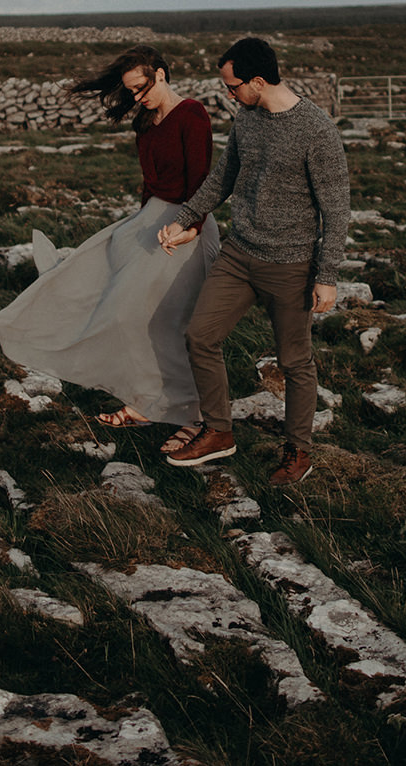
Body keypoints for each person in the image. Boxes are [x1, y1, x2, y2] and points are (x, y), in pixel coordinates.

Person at [0, 46, 217, 440]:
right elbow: (150, 183)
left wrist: (190, 225)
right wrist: (138, 225)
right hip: (150, 222)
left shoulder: (192, 115)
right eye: (131, 93)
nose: (137, 98)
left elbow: (202, 181)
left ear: (161, 74)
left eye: (142, 88)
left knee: (152, 316)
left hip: (185, 227)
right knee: (106, 295)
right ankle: (147, 401)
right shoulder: (146, 122)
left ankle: (189, 415)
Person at [157, 37, 349, 485]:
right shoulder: (246, 118)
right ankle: (219, 431)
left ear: (259, 81)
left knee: (294, 361)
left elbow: (336, 208)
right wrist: (188, 218)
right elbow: (224, 176)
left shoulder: (316, 130)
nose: (229, 95)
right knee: (199, 336)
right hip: (239, 255)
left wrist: (328, 275)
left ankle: (298, 451)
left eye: (233, 86)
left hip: (291, 265)